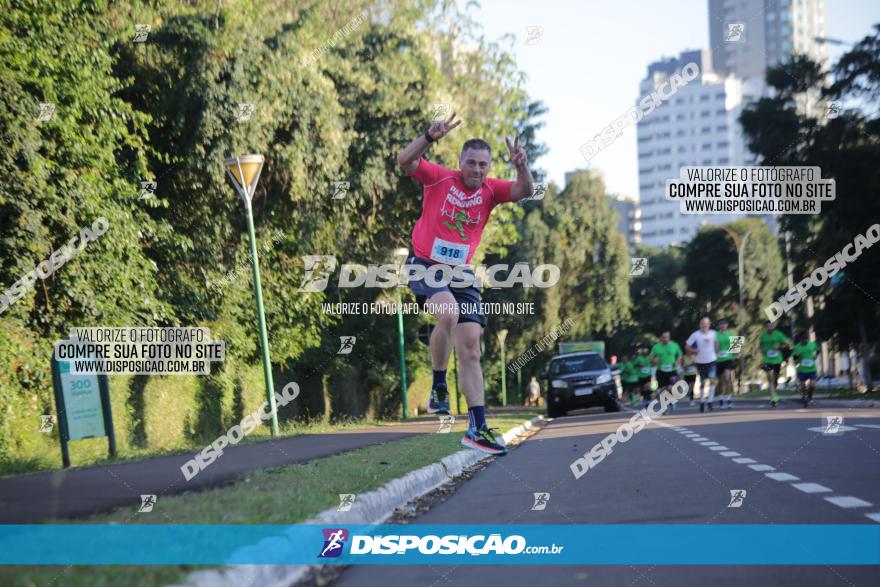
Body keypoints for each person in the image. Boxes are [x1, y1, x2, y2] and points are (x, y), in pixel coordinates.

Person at [397, 111, 535, 455]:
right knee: (448, 314)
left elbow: (525, 190)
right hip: (425, 264)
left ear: (489, 166)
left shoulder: (492, 189)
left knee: (472, 346)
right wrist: (428, 137)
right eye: (471, 163)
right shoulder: (440, 178)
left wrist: (521, 165)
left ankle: (477, 427)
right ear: (460, 162)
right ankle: (440, 387)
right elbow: (404, 161)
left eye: (483, 164)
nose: (477, 170)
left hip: (461, 272)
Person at [686, 317, 719, 412]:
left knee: (712, 380)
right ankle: (702, 401)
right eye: (703, 324)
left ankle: (710, 401)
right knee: (703, 382)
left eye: (706, 324)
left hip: (712, 360)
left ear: (709, 324)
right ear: (700, 325)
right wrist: (694, 350)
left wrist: (717, 352)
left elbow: (716, 343)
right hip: (700, 362)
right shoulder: (695, 335)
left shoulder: (714, 333)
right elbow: (687, 346)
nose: (705, 325)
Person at [650, 331, 683, 412]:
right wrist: (654, 360)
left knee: (671, 387)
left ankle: (671, 400)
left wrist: (678, 361)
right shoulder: (656, 347)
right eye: (664, 337)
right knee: (663, 389)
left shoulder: (675, 345)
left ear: (669, 337)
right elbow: (650, 357)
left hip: (672, 370)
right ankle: (668, 404)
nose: (665, 339)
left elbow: (680, 354)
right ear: (661, 338)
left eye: (667, 337)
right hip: (660, 371)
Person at [759, 320, 790, 407]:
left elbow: (787, 344)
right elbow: (760, 346)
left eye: (771, 326)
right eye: (767, 326)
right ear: (765, 327)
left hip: (777, 360)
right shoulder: (763, 336)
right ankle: (773, 398)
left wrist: (780, 347)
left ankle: (773, 393)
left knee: (775, 381)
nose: (769, 328)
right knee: (770, 378)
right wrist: (762, 350)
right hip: (767, 360)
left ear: (773, 326)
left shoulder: (778, 335)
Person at [792, 331, 819, 407]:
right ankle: (804, 398)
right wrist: (796, 356)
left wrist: (815, 356)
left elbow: (818, 350)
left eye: (806, 339)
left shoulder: (812, 344)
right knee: (803, 386)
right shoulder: (797, 347)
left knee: (813, 385)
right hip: (802, 370)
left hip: (812, 369)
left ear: (808, 339)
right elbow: (794, 358)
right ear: (800, 340)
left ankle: (810, 395)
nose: (804, 341)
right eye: (803, 339)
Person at [715, 318, 737, 409]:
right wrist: (716, 352)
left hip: (728, 359)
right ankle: (721, 400)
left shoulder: (731, 334)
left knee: (727, 378)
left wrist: (734, 354)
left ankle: (729, 400)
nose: (723, 326)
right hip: (718, 360)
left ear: (727, 325)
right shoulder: (716, 335)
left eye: (724, 324)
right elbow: (714, 346)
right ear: (719, 326)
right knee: (720, 381)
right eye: (721, 324)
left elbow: (736, 349)